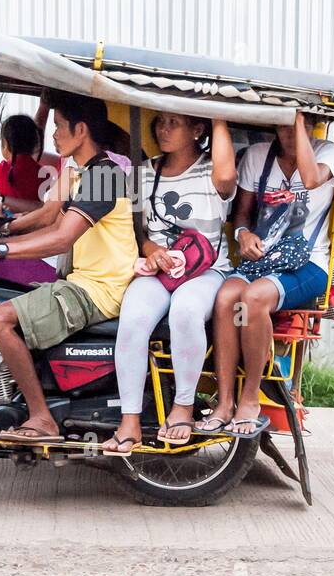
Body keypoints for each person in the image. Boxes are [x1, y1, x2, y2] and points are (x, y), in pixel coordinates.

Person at [0, 93, 137, 444]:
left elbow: (61, 239)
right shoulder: (83, 170)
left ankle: (41, 418)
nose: (53, 135)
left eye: (59, 127)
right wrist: (0, 230)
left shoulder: (105, 175)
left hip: (98, 290)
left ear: (81, 130)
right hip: (84, 281)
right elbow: (52, 218)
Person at [102, 113, 237, 454]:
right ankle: (129, 420)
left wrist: (218, 116)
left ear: (197, 130)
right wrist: (153, 252)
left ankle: (183, 407)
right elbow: (139, 233)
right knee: (133, 318)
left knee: (186, 311)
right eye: (160, 121)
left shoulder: (212, 171)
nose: (163, 129)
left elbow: (226, 178)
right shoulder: (143, 174)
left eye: (174, 122)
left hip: (206, 271)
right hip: (160, 272)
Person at [202, 112, 334, 437]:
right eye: (284, 125)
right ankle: (224, 403)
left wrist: (298, 122)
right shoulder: (257, 156)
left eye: (300, 126)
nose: (290, 133)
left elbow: (310, 179)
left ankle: (251, 399)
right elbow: (242, 214)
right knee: (225, 298)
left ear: (311, 125)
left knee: (253, 299)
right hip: (262, 261)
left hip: (308, 264)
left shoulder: (326, 152)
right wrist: (243, 235)